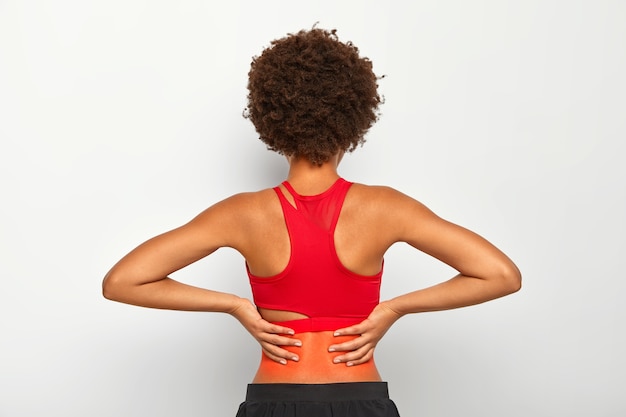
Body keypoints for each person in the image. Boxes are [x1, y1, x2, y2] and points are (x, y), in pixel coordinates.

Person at [102, 27, 521, 417]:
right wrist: (393, 309)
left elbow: (122, 281)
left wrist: (235, 306)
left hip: (274, 399)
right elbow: (500, 275)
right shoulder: (386, 208)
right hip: (359, 397)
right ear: (353, 117)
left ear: (273, 120)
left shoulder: (241, 214)